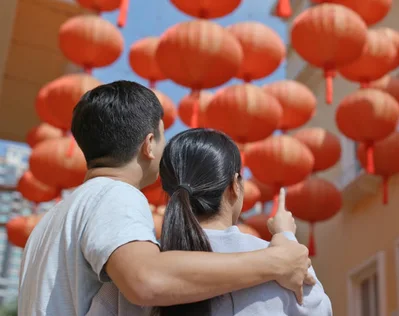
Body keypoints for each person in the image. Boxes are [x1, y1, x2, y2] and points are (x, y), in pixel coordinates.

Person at [18, 81, 314, 316]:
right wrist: (277, 259)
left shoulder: (55, 217)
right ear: (149, 144)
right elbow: (145, 280)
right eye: (162, 136)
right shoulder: (115, 195)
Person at [148, 128, 332, 316]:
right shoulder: (281, 261)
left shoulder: (141, 269)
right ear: (235, 185)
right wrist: (286, 238)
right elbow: (319, 309)